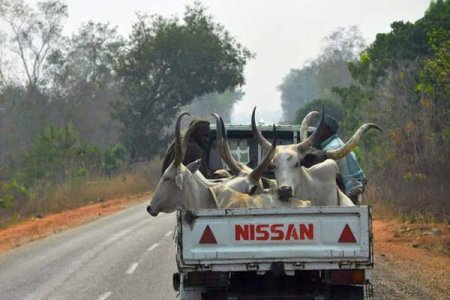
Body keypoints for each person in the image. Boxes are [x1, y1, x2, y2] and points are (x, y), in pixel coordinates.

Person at [309, 114, 367, 205]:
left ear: (326, 131)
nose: (316, 133)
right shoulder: (340, 145)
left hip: (342, 198)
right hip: (352, 198)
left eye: (319, 130)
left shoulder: (332, 149)